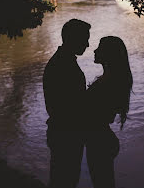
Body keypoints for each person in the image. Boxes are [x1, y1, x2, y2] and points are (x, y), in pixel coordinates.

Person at [42, 18, 91, 188]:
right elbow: (71, 105)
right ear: (73, 39)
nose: (88, 44)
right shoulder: (63, 65)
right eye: (85, 39)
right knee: (65, 180)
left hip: (62, 131)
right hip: (66, 133)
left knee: (63, 179)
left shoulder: (62, 61)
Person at [84, 36, 133, 188]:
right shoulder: (111, 80)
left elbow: (93, 114)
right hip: (102, 138)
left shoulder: (108, 84)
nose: (95, 50)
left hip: (99, 141)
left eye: (100, 48)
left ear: (108, 54)